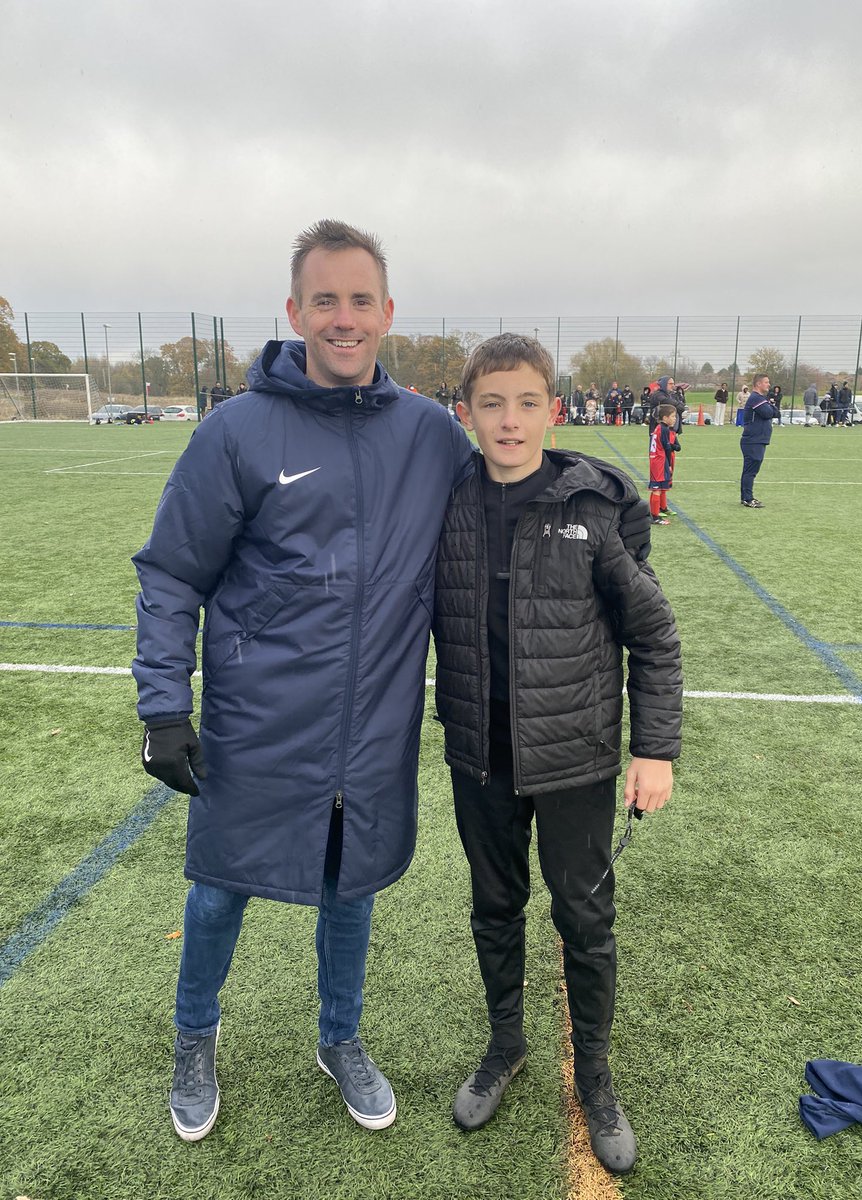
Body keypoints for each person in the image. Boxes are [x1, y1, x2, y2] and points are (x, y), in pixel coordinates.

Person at [132, 219, 473, 1143]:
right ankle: (194, 1039)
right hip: (258, 725)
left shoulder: (432, 435)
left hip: (374, 727)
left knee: (350, 886)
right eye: (325, 299)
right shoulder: (239, 430)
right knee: (218, 888)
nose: (344, 317)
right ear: (294, 311)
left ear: (388, 312)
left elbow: (506, 505)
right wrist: (164, 706)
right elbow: (172, 572)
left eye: (361, 299)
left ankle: (340, 1037)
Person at [432, 333, 682, 1176]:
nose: (509, 421)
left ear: (553, 407)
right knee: (493, 906)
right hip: (480, 755)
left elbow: (654, 637)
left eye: (527, 402)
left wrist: (656, 749)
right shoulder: (445, 500)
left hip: (577, 756)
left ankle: (597, 1077)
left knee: (584, 916)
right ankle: (506, 1044)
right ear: (466, 412)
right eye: (492, 403)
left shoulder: (591, 507)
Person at [739, 372, 777, 508]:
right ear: (759, 384)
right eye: (766, 382)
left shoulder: (761, 398)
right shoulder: (756, 398)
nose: (769, 384)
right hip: (753, 440)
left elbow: (775, 413)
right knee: (750, 470)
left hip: (758, 439)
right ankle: (748, 498)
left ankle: (746, 497)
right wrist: (771, 406)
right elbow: (768, 413)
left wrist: (771, 407)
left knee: (750, 470)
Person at [648, 402, 681, 524]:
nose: (674, 419)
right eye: (672, 416)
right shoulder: (664, 429)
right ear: (665, 418)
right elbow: (667, 447)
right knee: (657, 488)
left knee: (658, 487)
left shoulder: (659, 427)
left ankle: (654, 514)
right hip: (659, 461)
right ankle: (655, 517)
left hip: (655, 460)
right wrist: (668, 465)